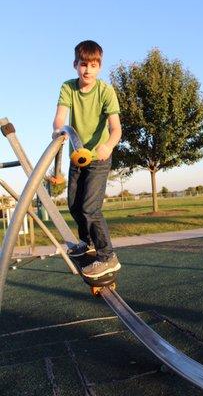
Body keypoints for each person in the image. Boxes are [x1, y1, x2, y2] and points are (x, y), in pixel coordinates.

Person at [52, 40, 122, 278]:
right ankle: (88, 242)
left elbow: (116, 129)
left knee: (90, 208)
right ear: (75, 65)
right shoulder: (68, 88)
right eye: (84, 64)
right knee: (74, 204)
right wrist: (60, 131)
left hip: (99, 158)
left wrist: (108, 145)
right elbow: (59, 120)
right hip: (77, 156)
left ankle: (108, 256)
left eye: (93, 65)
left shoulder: (106, 91)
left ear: (99, 67)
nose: (88, 70)